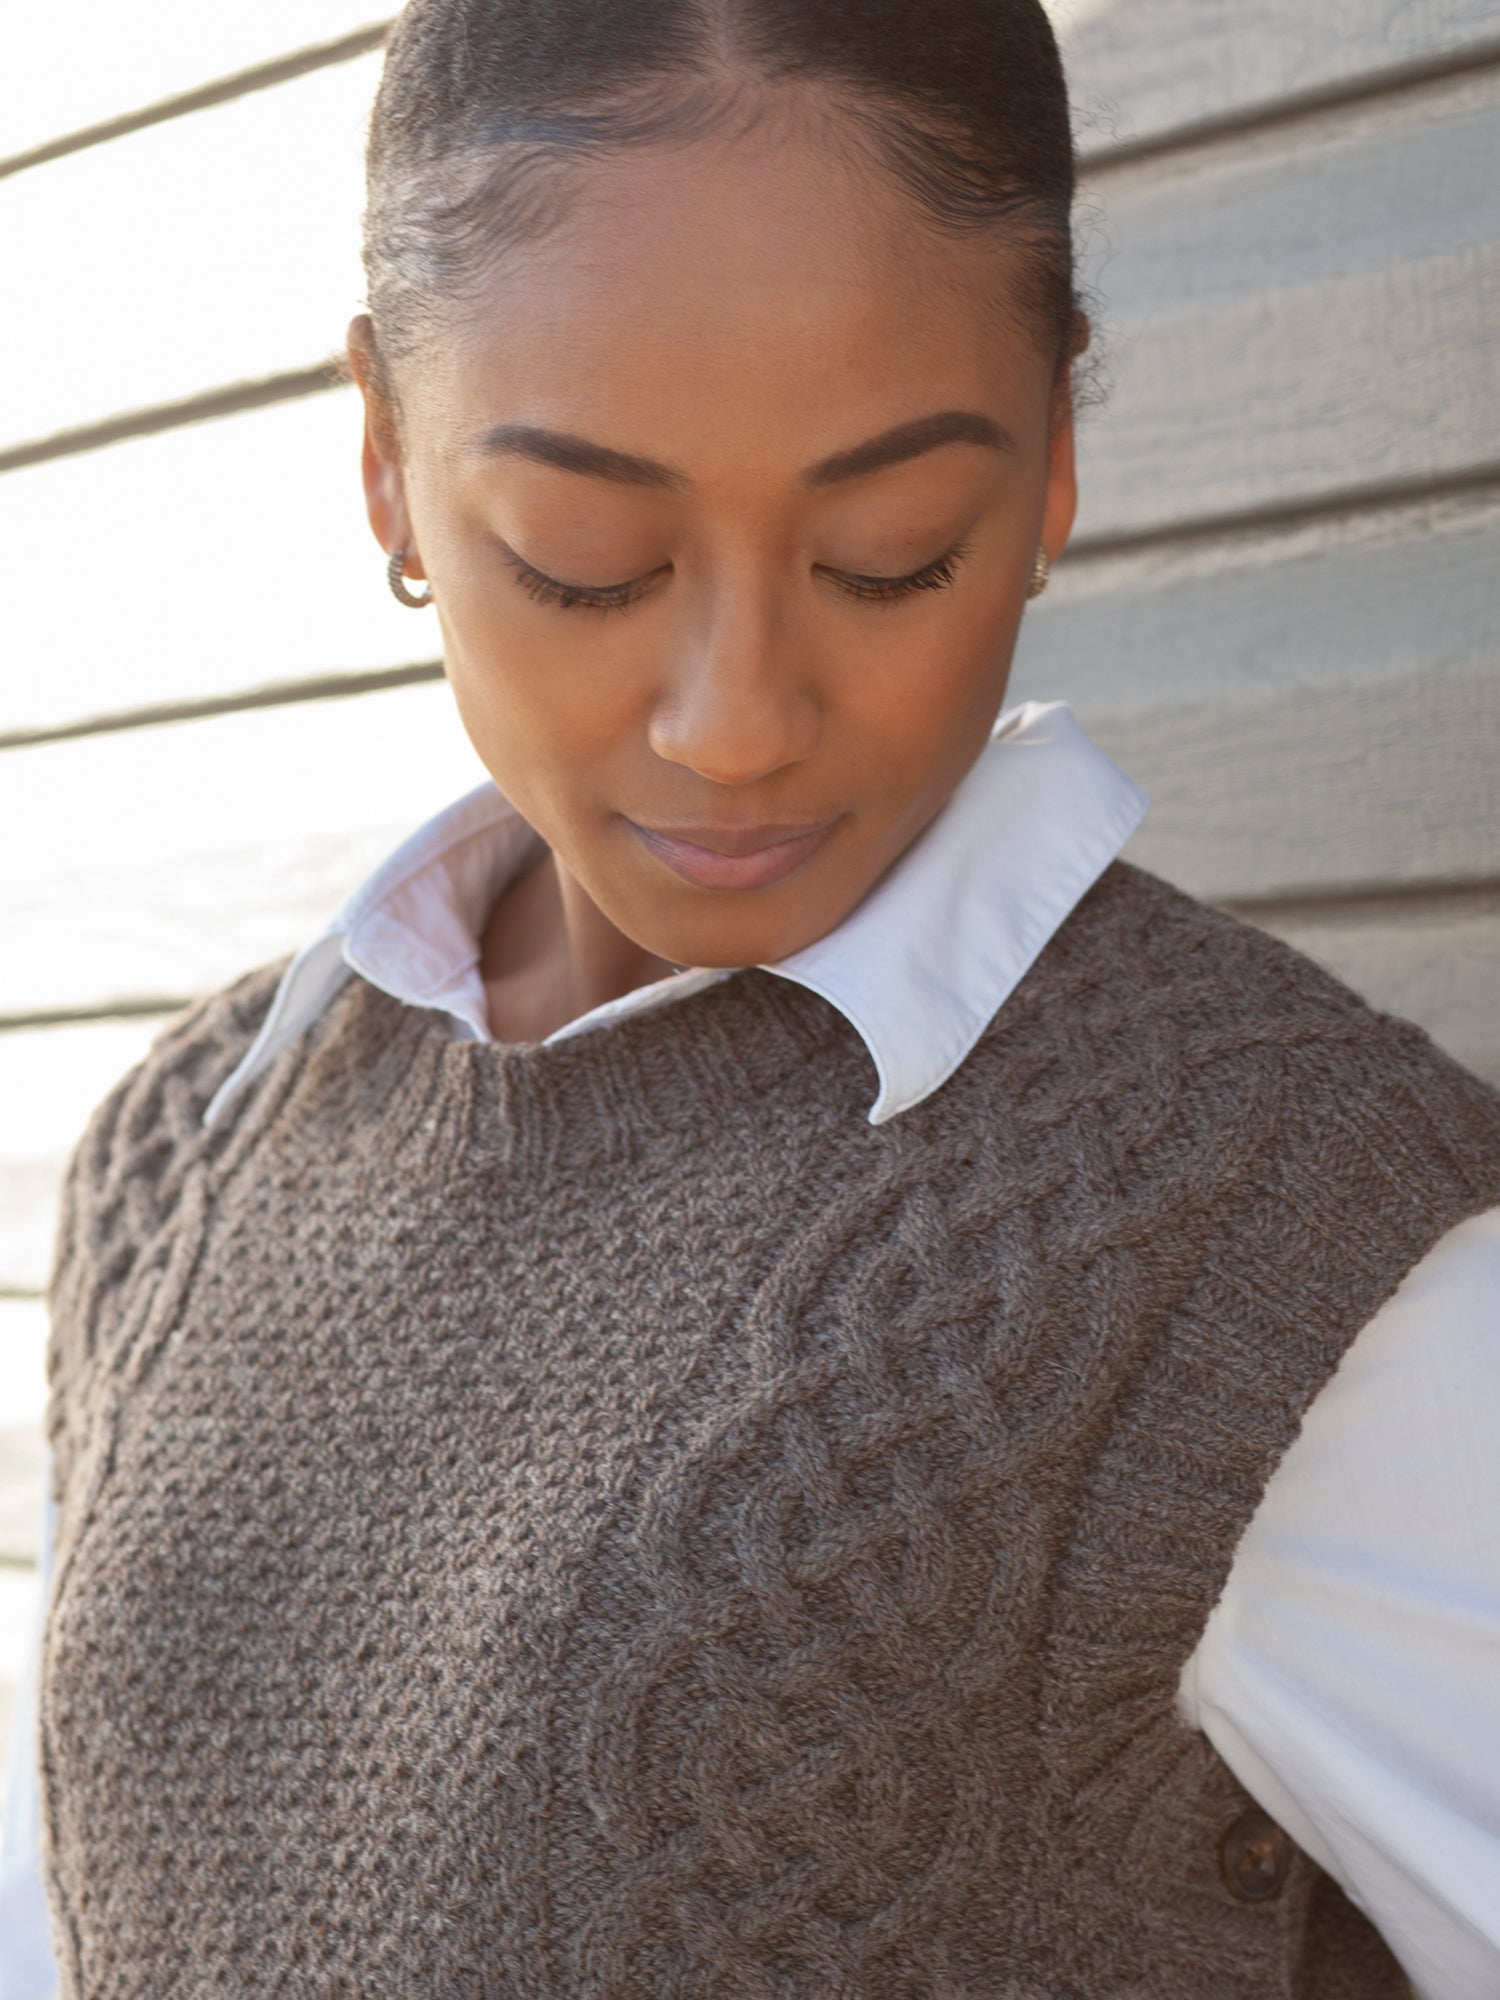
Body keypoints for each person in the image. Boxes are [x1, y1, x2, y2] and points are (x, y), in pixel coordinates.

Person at [3, 0, 1499, 1993]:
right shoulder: (188, 1149)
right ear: (383, 458)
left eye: (893, 556)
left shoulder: (1296, 1241)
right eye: (585, 557)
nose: (734, 726)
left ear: (1052, 455)